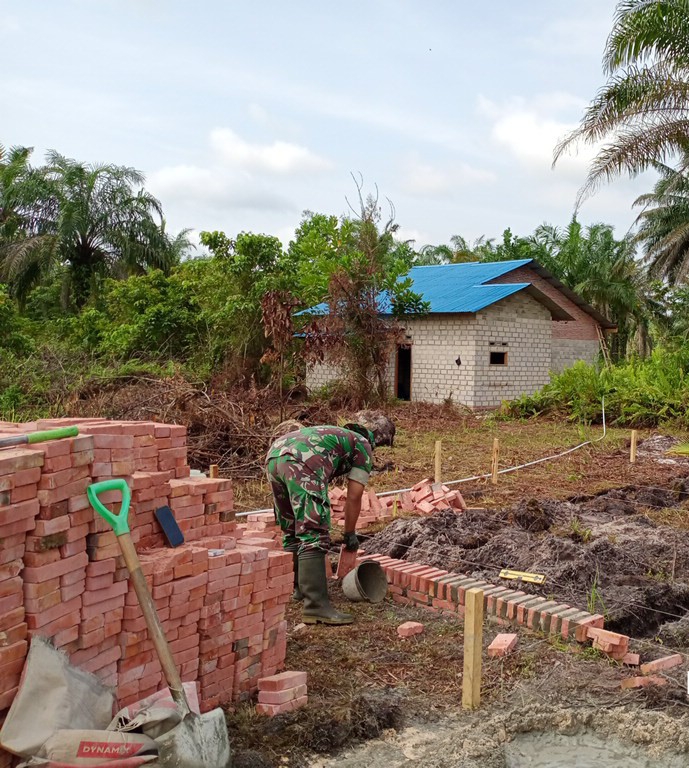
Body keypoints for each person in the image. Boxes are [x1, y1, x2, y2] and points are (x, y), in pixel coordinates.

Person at [265, 423, 375, 625]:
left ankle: (298, 589)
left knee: (291, 530)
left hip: (275, 456)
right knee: (313, 530)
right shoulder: (364, 445)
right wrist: (350, 533)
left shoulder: (333, 436)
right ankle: (316, 606)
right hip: (303, 460)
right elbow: (355, 495)